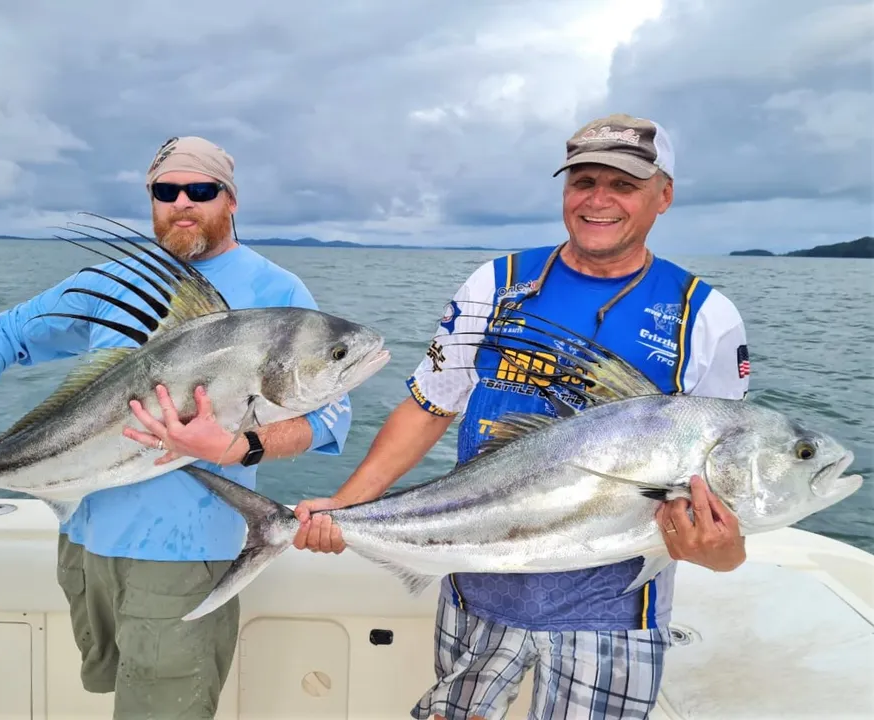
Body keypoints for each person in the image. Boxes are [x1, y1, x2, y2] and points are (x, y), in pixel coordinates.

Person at [292, 114, 750, 720]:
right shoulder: (499, 283)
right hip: (476, 581)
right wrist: (344, 507)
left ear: (663, 195)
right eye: (583, 181)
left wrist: (721, 551)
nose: (598, 200)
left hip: (614, 615)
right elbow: (430, 407)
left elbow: (722, 477)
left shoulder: (706, 317)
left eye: (624, 184)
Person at [0, 135, 353, 719]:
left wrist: (240, 446)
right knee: (116, 691)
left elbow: (331, 415)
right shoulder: (114, 283)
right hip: (83, 541)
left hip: (184, 554)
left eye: (201, 189)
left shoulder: (276, 293)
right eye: (166, 190)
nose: (182, 202)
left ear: (230, 201)